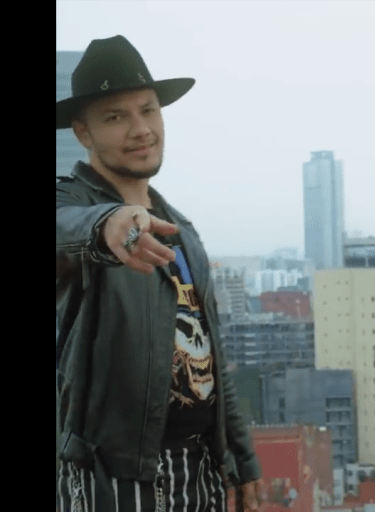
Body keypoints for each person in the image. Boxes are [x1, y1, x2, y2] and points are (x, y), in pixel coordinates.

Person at [56, 35, 261, 512]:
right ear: (83, 133)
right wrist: (108, 224)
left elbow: (212, 354)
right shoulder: (73, 203)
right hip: (111, 475)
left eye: (148, 110)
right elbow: (64, 228)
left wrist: (243, 459)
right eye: (115, 117)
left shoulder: (181, 229)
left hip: (202, 471)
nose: (140, 129)